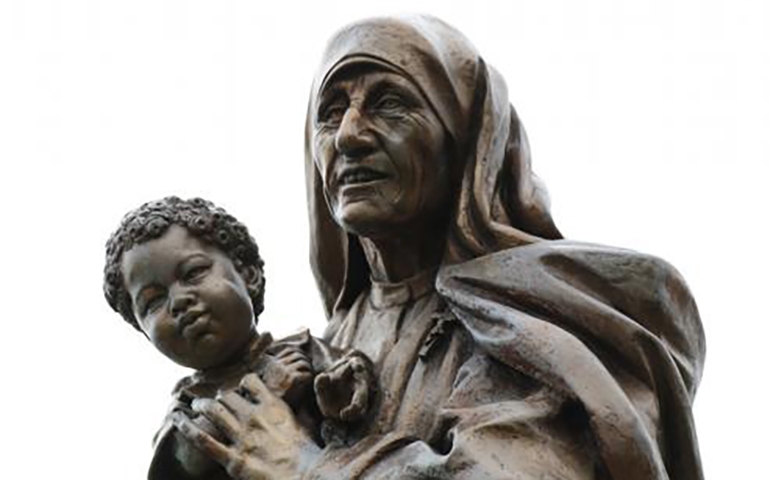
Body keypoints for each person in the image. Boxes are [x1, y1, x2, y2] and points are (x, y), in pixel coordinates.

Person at [179, 15, 706, 480]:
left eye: (390, 103)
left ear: (464, 139)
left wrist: (307, 467)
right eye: (331, 111)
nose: (349, 136)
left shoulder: (545, 321)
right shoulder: (323, 349)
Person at [103, 197, 373, 479]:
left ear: (249, 274)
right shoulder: (188, 407)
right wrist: (264, 393)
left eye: (194, 273)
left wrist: (339, 388)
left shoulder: (301, 349)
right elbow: (185, 457)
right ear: (146, 334)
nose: (179, 301)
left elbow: (351, 375)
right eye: (153, 302)